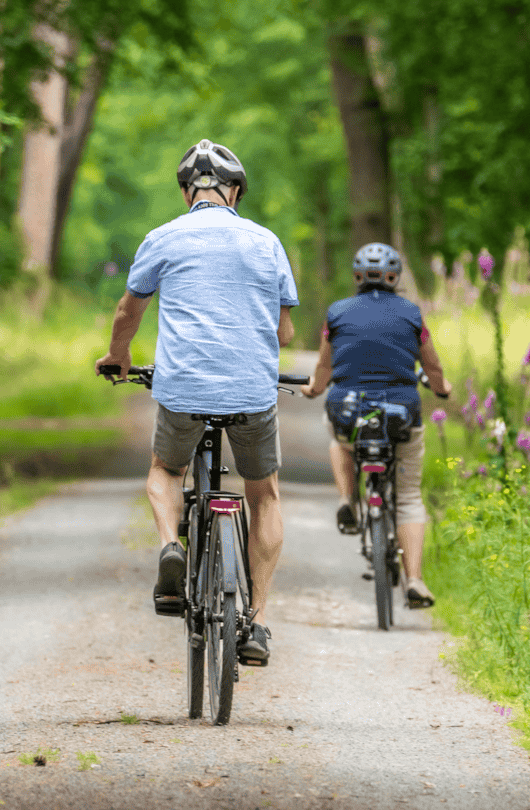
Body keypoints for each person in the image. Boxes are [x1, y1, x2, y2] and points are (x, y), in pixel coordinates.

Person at [95, 139, 299, 664]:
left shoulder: (163, 237)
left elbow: (127, 311)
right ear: (235, 191)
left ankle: (171, 547)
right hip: (253, 390)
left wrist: (120, 357)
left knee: (165, 471)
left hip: (183, 387)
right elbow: (285, 328)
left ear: (188, 192)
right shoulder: (265, 241)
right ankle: (256, 624)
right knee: (265, 495)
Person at [300, 242, 450, 608]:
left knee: (338, 437)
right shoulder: (412, 313)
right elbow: (431, 366)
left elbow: (324, 368)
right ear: (394, 277)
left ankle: (347, 497)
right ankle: (414, 579)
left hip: (349, 410)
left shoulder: (336, 313)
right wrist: (443, 389)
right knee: (410, 497)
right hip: (401, 413)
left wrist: (314, 388)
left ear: (356, 276)